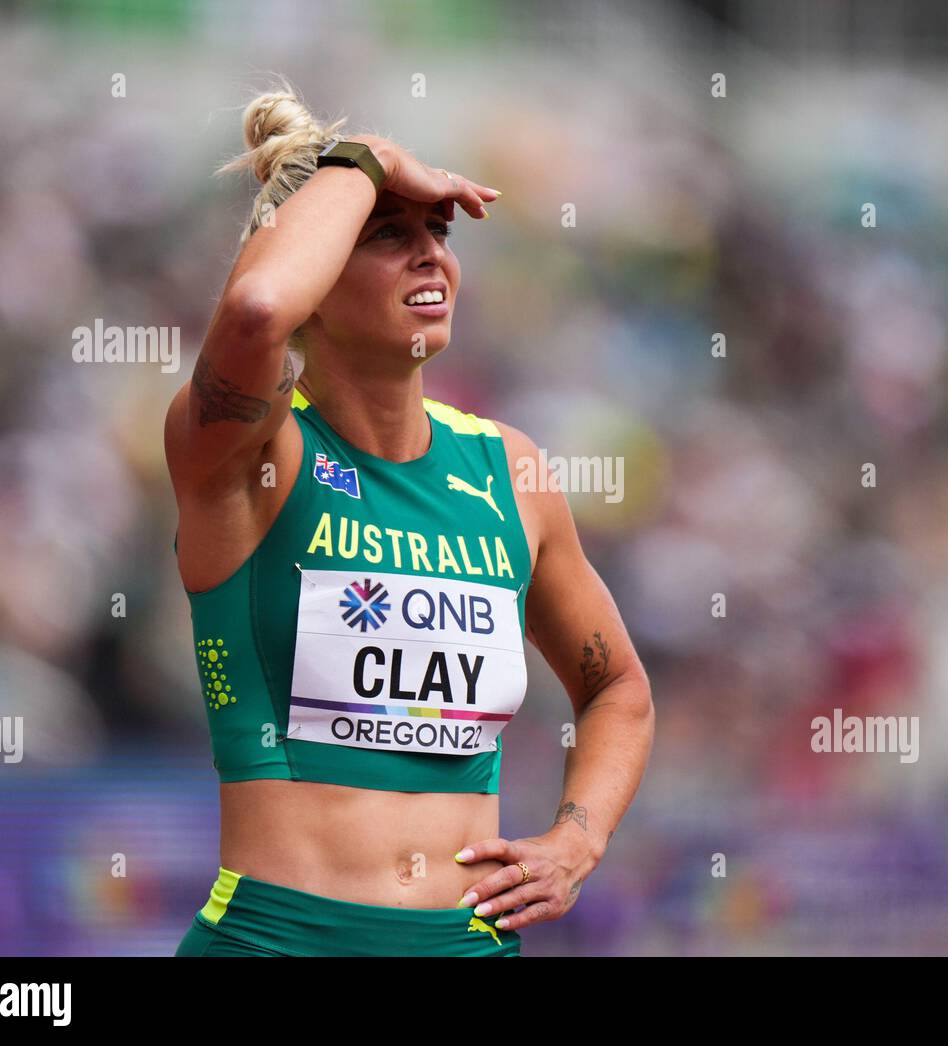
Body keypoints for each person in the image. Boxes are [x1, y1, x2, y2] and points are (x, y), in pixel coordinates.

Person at [165, 80, 654, 956]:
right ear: (316, 273)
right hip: (282, 939)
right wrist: (373, 159)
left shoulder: (509, 471)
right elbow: (255, 311)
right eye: (385, 235)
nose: (431, 253)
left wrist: (577, 843)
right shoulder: (249, 456)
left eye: (438, 231)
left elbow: (618, 688)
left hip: (469, 943)